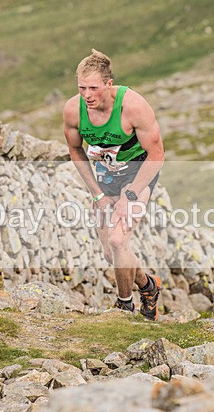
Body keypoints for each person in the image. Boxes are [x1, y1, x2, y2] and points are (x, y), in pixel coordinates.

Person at [62, 49, 165, 320]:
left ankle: (124, 305)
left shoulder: (133, 107)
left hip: (138, 173)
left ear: (109, 84)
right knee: (111, 251)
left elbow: (157, 156)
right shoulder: (74, 110)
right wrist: (97, 194)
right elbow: (76, 151)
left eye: (94, 88)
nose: (87, 95)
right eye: (82, 88)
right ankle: (148, 286)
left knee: (119, 240)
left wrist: (129, 195)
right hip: (106, 176)